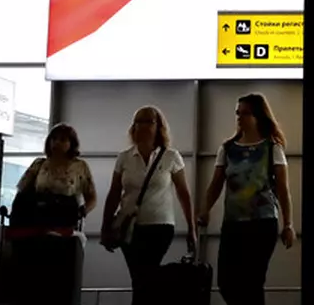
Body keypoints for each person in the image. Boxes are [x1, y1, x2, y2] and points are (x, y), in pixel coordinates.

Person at [198, 93, 295, 305]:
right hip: (233, 224)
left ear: (258, 117)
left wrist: (288, 223)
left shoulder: (272, 148)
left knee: (252, 282)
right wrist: (205, 209)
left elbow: (282, 188)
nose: (240, 118)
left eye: (246, 114)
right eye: (238, 113)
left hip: (262, 223)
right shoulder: (228, 149)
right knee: (226, 282)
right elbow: (215, 184)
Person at [100, 106, 197, 305]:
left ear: (159, 127)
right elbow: (114, 193)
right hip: (130, 228)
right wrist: (106, 225)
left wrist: (191, 228)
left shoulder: (171, 156)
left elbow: (183, 194)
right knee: (140, 279)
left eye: (148, 121)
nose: (143, 126)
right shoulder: (125, 157)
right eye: (138, 121)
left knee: (146, 276)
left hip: (160, 227)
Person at [17, 123, 97, 220]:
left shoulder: (80, 167)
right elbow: (22, 192)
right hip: (39, 219)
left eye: (62, 140)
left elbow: (92, 198)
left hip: (66, 220)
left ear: (71, 144)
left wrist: (81, 212)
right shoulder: (39, 164)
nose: (57, 143)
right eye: (54, 139)